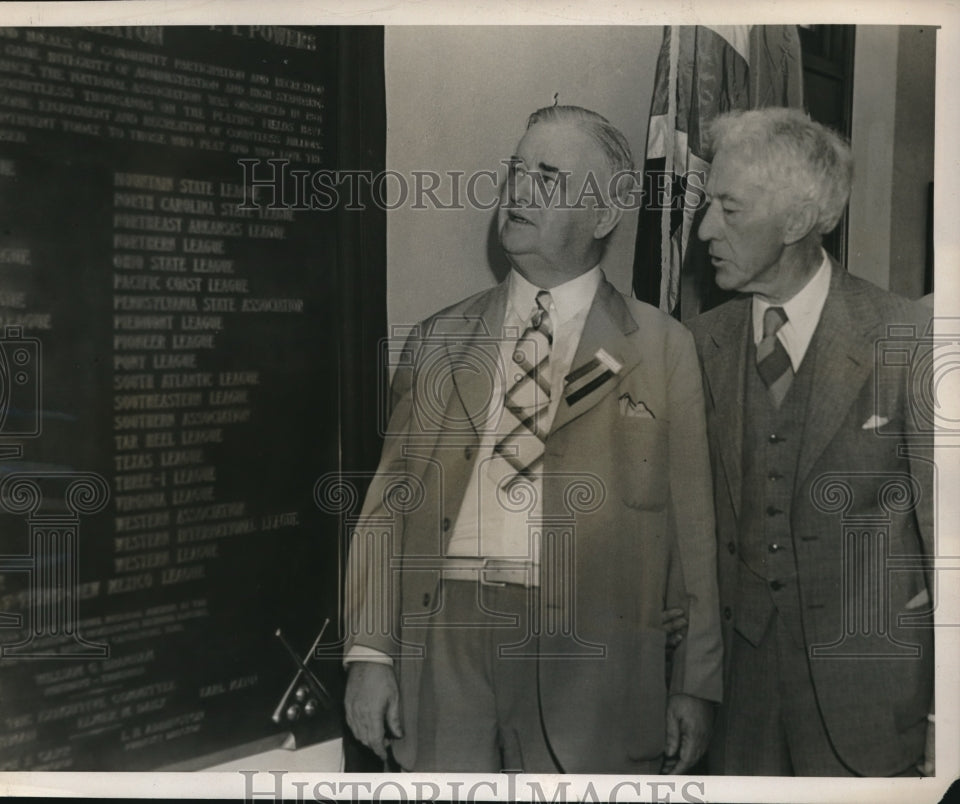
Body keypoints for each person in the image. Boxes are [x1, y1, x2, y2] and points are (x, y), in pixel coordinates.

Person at [342, 105, 723, 773]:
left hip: (592, 655)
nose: (519, 191)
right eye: (517, 171)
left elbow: (694, 533)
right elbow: (387, 509)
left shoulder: (663, 349)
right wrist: (370, 655)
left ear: (604, 216)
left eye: (549, 177)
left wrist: (695, 682)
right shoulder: (439, 339)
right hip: (447, 639)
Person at [688, 107, 935, 776]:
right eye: (708, 206)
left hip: (871, 702)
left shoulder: (907, 339)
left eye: (729, 210)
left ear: (796, 222)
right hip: (736, 707)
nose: (705, 229)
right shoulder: (700, 347)